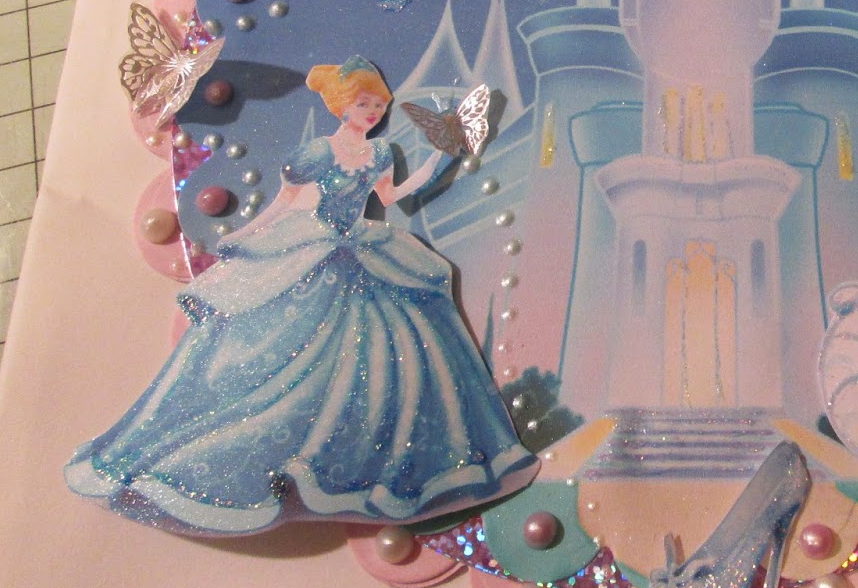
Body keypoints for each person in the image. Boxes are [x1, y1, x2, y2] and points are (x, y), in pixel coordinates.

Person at [65, 57, 536, 535]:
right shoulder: (317, 152)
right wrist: (244, 236)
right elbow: (285, 201)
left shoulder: (379, 153)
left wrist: (438, 157)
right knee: (288, 342)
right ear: (342, 106)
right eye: (364, 104)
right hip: (316, 249)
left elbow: (391, 198)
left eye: (378, 104)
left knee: (396, 342)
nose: (373, 112)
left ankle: (389, 459)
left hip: (362, 248)